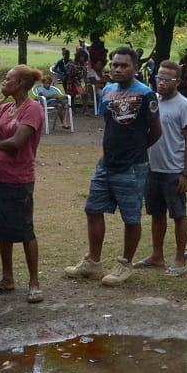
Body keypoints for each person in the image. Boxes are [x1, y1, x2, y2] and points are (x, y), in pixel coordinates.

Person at [66, 47, 162, 283]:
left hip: (132, 167)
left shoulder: (146, 94)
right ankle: (93, 262)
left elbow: (156, 131)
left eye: (124, 65)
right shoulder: (107, 91)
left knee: (131, 217)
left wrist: (135, 151)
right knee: (93, 209)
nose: (117, 69)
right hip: (106, 164)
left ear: (135, 68)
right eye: (115, 65)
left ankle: (125, 264)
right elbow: (110, 126)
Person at [0, 64, 45, 303]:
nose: (4, 82)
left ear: (19, 84)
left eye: (8, 79)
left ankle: (34, 281)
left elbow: (18, 142)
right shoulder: (5, 108)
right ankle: (7, 278)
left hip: (19, 179)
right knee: (2, 229)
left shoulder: (33, 109)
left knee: (25, 229)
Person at [135, 59, 187, 277]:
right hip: (152, 169)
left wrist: (186, 174)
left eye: (167, 79)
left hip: (174, 171)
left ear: (178, 81)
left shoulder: (184, 106)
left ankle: (180, 258)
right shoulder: (152, 102)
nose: (161, 82)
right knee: (156, 214)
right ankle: (157, 255)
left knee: (178, 214)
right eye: (159, 77)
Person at [64, 48, 92, 115]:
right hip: (71, 82)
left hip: (77, 83)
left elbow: (85, 77)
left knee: (84, 94)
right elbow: (68, 73)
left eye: (84, 58)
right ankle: (73, 111)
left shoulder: (83, 66)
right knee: (72, 97)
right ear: (78, 57)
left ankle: (85, 110)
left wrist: (86, 85)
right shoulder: (71, 64)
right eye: (81, 57)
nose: (83, 59)